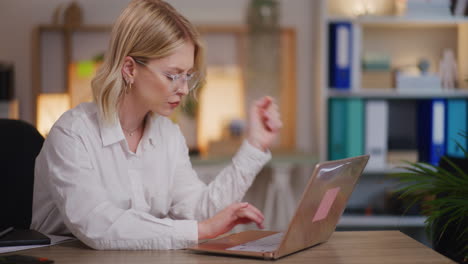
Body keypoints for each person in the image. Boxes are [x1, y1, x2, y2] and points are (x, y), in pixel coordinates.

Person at [31, 0, 282, 250]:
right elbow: (96, 224)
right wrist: (198, 231)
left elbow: (199, 211)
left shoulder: (168, 134)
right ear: (129, 68)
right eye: (172, 75)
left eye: (188, 76)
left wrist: (255, 146)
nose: (183, 89)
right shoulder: (73, 133)